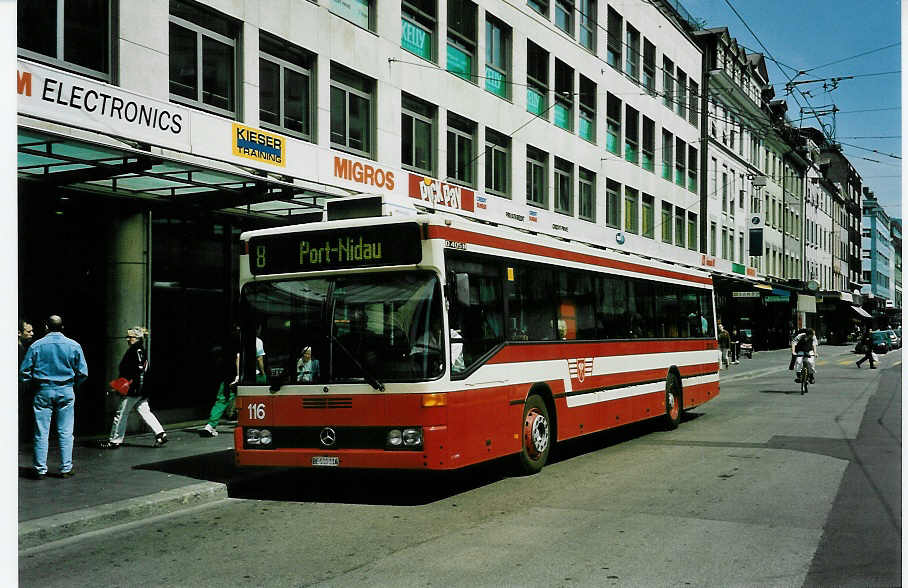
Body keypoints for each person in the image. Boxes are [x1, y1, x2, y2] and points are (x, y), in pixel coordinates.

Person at [19, 315, 88, 479]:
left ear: (46, 327)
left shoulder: (36, 345)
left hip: (43, 390)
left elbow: (24, 372)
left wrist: (33, 384)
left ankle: (40, 469)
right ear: (62, 327)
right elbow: (83, 373)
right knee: (65, 431)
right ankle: (65, 468)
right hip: (66, 390)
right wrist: (73, 385)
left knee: (41, 431)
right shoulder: (74, 345)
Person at [100, 327, 168, 448]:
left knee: (121, 414)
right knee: (145, 411)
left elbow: (134, 372)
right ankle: (160, 433)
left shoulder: (134, 351)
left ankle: (115, 440)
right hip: (142, 389)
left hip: (134, 389)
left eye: (130, 337)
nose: (128, 339)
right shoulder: (141, 350)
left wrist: (121, 387)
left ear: (137, 338)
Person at [201, 325, 242, 437]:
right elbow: (238, 358)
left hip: (227, 376)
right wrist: (238, 376)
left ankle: (210, 425)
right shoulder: (243, 342)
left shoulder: (226, 344)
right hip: (237, 376)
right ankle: (211, 426)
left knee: (222, 400)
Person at [18, 318, 35, 442]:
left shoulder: (23, 348)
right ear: (19, 332)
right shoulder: (19, 350)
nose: (32, 333)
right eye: (28, 331)